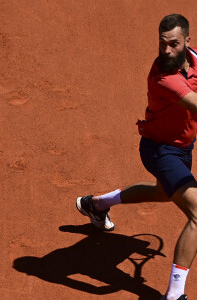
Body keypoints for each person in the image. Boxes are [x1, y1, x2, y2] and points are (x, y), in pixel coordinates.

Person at [76, 14, 197, 300]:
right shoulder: (163, 78)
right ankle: (174, 294)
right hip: (159, 150)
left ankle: (95, 204)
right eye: (161, 43)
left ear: (187, 43)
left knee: (163, 194)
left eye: (173, 44)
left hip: (182, 147)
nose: (166, 50)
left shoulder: (193, 57)